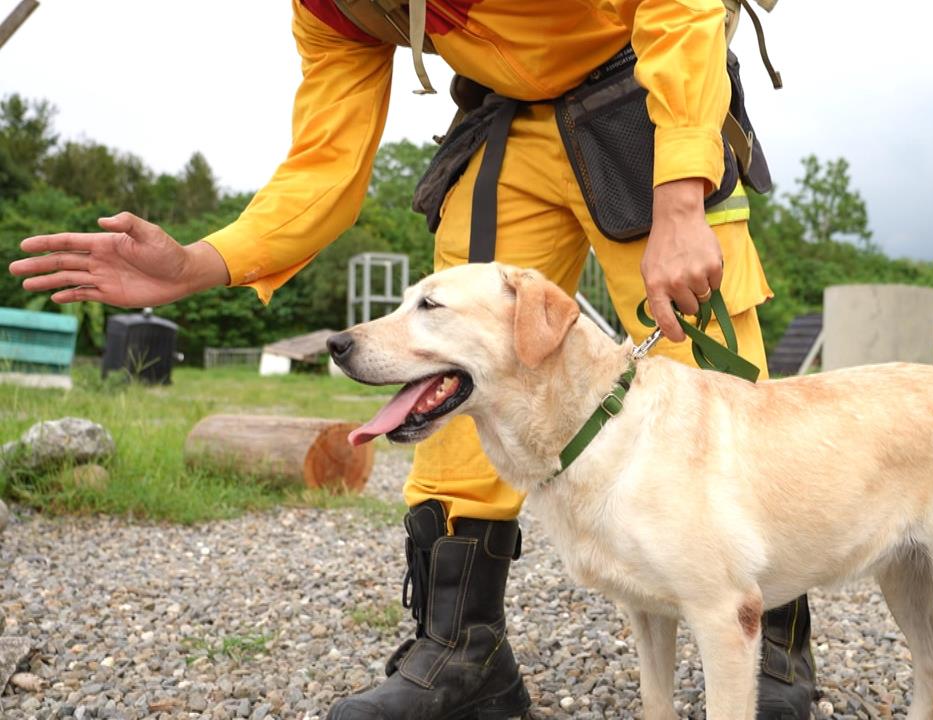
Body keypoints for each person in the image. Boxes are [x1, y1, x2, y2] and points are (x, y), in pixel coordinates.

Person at [10, 1, 817, 717]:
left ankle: (771, 644)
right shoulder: (329, 8)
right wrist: (200, 263)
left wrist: (682, 196)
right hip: (505, 124)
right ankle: (462, 648)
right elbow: (324, 164)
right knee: (457, 368)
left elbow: (681, 8)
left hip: (644, 99)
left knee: (716, 373)